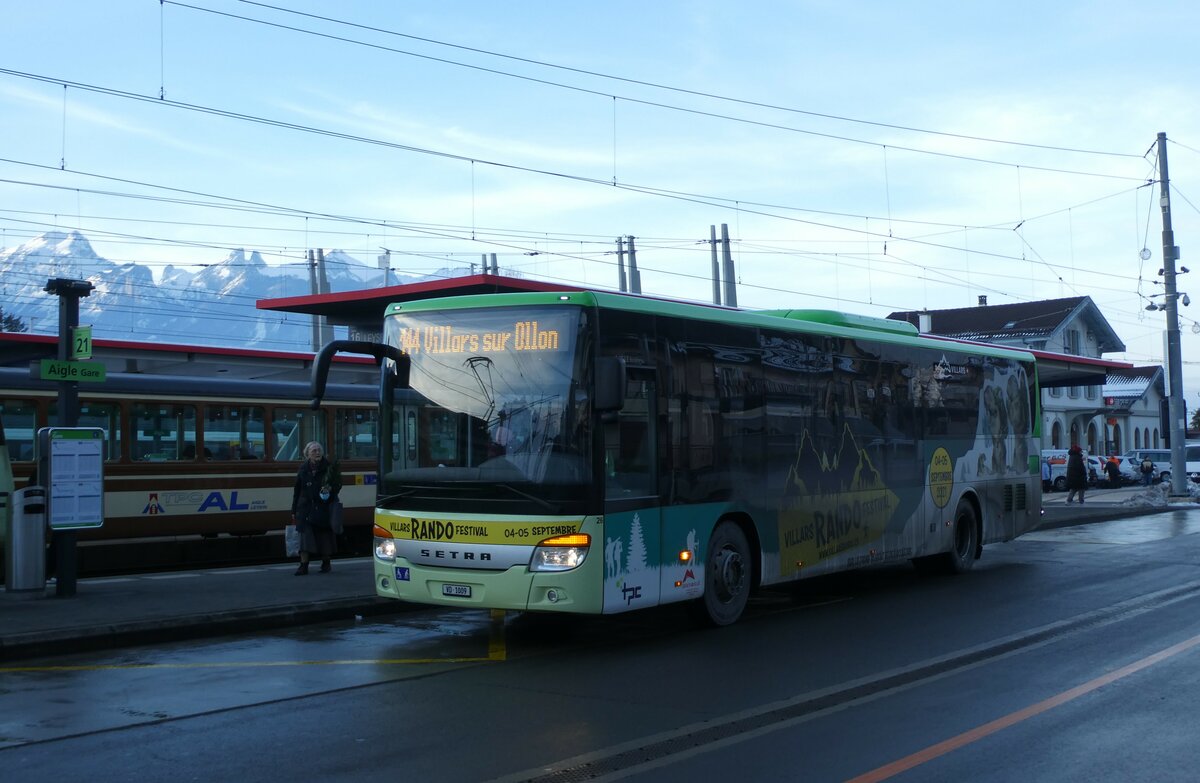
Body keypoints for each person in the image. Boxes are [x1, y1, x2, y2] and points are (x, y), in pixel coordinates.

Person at [290, 441, 341, 575]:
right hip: (305, 508)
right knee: (305, 538)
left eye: (319, 450)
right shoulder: (303, 469)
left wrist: (330, 488)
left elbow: (337, 485)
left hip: (323, 507)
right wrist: (294, 510)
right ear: (307, 454)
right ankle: (303, 565)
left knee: (324, 538)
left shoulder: (328, 468)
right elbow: (297, 491)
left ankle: (326, 563)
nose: (317, 453)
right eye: (314, 451)